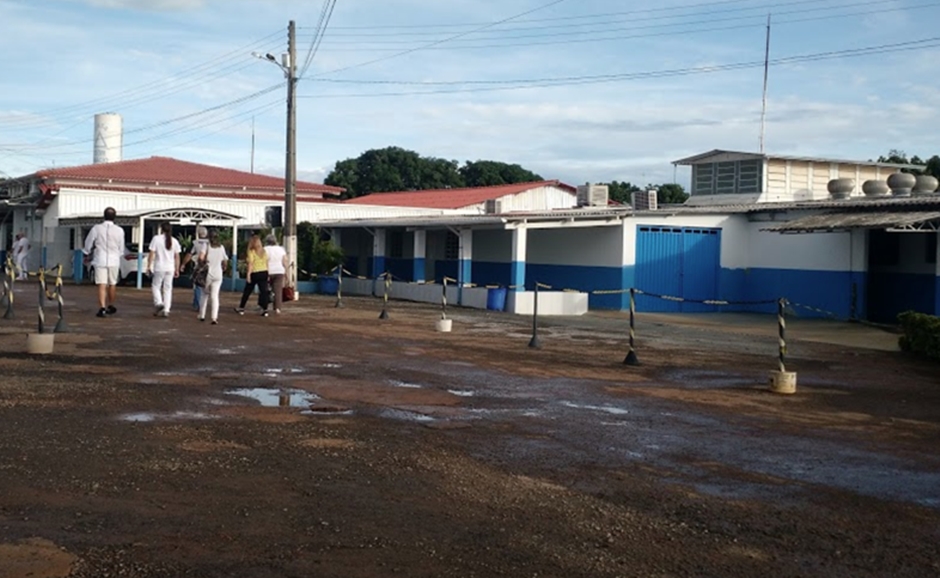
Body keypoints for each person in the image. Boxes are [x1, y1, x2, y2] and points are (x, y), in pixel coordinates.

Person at [82, 207, 125, 318]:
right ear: (114, 217)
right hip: (114, 260)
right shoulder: (119, 230)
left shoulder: (96, 228)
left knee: (102, 284)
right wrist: (117, 255)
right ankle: (111, 305)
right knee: (112, 284)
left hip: (100, 259)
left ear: (103, 215)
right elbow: (121, 248)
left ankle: (102, 307)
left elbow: (89, 242)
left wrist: (86, 252)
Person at [146, 222, 181, 318]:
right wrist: (177, 269)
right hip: (170, 268)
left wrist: (149, 266)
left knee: (155, 286)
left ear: (161, 229)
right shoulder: (174, 241)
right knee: (168, 289)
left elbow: (152, 253)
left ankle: (159, 303)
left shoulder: (156, 239)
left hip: (159, 267)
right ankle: (166, 309)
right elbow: (177, 256)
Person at [197, 230, 228, 325]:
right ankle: (214, 317)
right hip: (218, 274)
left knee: (204, 294)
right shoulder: (221, 247)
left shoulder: (206, 246)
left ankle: (202, 315)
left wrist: (201, 263)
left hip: (207, 274)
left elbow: (201, 258)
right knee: (215, 296)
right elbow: (225, 260)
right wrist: (224, 267)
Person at [235, 234, 270, 317]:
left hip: (255, 272)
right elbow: (267, 263)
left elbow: (251, 263)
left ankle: (241, 308)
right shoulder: (264, 252)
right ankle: (265, 310)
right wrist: (268, 273)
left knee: (247, 291)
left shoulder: (251, 251)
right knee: (264, 292)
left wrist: (248, 274)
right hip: (264, 272)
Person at [180, 226, 209, 311]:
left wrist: (183, 264)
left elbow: (189, 255)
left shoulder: (195, 243)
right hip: (210, 267)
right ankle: (202, 304)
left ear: (198, 234)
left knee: (198, 286)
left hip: (198, 267)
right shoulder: (211, 243)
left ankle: (198, 304)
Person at [263, 234, 288, 314]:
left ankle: (264, 306)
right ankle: (277, 308)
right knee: (278, 290)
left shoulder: (265, 249)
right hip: (279, 271)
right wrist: (286, 272)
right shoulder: (281, 249)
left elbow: (263, 261)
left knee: (265, 289)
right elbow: (285, 261)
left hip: (268, 271)